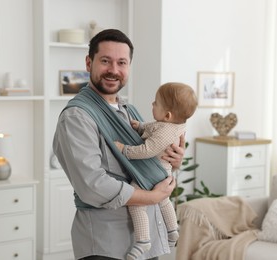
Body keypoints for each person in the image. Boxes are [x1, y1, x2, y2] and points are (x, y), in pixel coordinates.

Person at [52, 28, 185, 260]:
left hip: (146, 241)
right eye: (105, 61)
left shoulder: (129, 112)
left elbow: (146, 166)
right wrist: (153, 197)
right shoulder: (78, 117)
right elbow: (93, 185)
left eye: (121, 62)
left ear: (129, 67)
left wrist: (172, 160)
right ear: (88, 62)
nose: (114, 70)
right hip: (106, 243)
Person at [114, 82, 198, 259]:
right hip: (162, 171)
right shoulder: (172, 125)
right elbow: (154, 127)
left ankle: (143, 240)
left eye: (156, 103)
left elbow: (147, 149)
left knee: (136, 202)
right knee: (163, 200)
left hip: (152, 173)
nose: (152, 104)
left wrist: (124, 149)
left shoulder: (166, 132)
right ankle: (173, 229)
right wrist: (141, 126)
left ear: (167, 115)